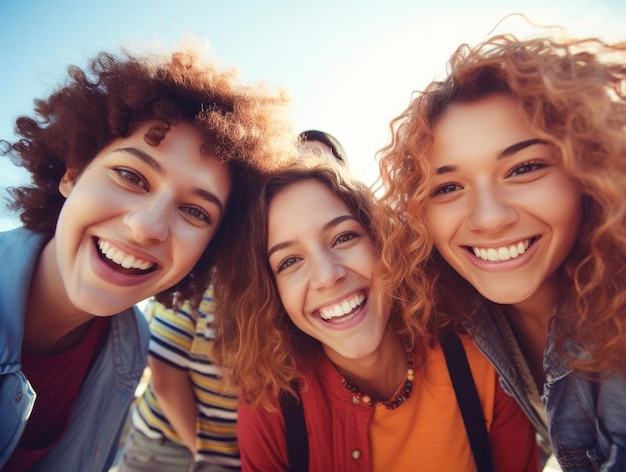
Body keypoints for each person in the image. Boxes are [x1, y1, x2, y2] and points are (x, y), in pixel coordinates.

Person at [0, 42, 296, 472]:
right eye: (131, 176)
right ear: (73, 174)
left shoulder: (131, 342)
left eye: (196, 211)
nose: (148, 227)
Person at [377, 32, 626, 471]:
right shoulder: (461, 312)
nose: (489, 218)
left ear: (589, 168)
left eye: (524, 168)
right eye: (448, 187)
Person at [212, 157, 539, 471]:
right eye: (289, 261)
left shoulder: (482, 361)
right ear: (271, 294)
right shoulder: (271, 405)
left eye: (343, 237)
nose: (328, 276)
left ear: (383, 243)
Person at [118, 287, 240, 472]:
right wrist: (205, 457)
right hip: (165, 447)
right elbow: (166, 379)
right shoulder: (197, 278)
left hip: (232, 455)